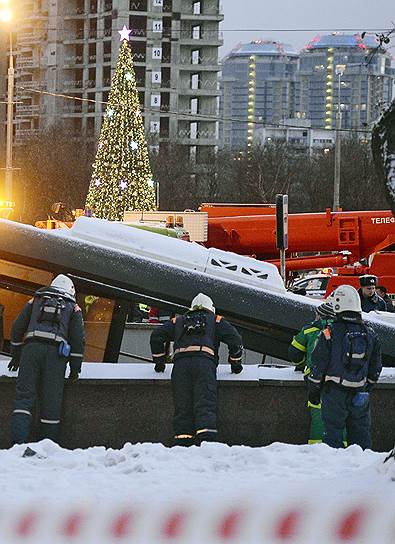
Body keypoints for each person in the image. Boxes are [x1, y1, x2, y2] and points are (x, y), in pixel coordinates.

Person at [150, 293, 243, 446]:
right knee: (205, 403)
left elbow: (157, 335)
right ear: (211, 308)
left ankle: (182, 442)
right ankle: (206, 442)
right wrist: (235, 363)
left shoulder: (178, 321)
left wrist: (159, 361)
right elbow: (235, 339)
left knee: (182, 405)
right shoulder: (216, 320)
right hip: (204, 364)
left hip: (180, 366)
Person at [8, 275, 85, 445]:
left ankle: (17, 444)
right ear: (71, 290)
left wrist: (16, 354)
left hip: (31, 351)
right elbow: (78, 340)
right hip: (56, 357)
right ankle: (47, 445)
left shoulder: (35, 301)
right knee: (51, 401)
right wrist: (75, 368)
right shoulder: (73, 307)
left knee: (24, 398)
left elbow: (16, 327)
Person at [307, 285, 382, 450]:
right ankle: (361, 468)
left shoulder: (329, 333)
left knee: (333, 435)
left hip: (334, 393)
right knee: (361, 435)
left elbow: (317, 366)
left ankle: (336, 471)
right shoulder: (370, 334)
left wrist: (314, 392)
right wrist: (366, 388)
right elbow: (376, 368)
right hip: (360, 394)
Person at [288, 301, 335, 444]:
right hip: (339, 376)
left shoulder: (309, 330)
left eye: (317, 314)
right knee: (339, 413)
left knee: (318, 412)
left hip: (315, 377)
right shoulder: (341, 329)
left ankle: (316, 447)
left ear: (320, 316)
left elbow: (294, 353)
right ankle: (342, 449)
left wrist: (302, 365)